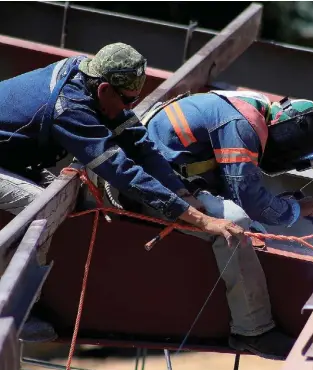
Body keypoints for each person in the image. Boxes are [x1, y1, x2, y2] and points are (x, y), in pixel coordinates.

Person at [0, 43, 245, 343]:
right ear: (104, 89)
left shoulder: (89, 79)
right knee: (41, 210)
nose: (130, 107)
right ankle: (10, 310)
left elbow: (140, 146)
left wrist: (183, 193)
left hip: (13, 157)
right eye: (128, 100)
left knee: (59, 200)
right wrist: (200, 220)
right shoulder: (72, 110)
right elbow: (123, 171)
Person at [113, 89, 313, 359]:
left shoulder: (242, 107)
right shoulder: (240, 123)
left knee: (255, 229)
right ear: (290, 129)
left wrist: (281, 211)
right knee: (235, 223)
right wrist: (295, 209)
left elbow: (232, 182)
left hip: (168, 178)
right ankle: (253, 331)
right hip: (144, 187)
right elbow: (250, 200)